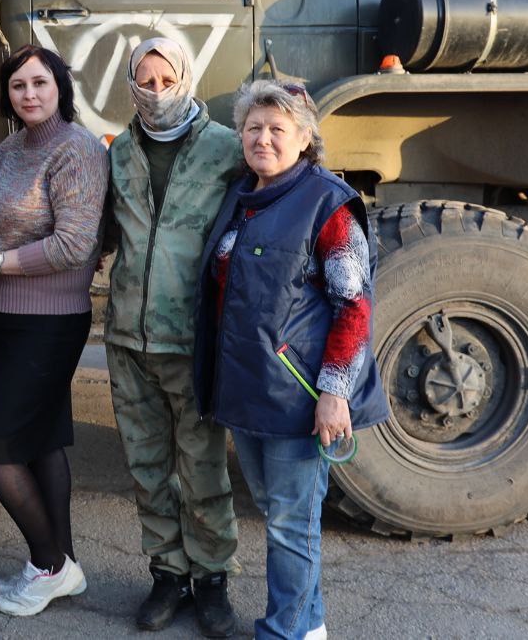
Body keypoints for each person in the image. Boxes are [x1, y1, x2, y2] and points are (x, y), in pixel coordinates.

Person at [193, 79, 389, 640]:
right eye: (253, 128)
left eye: (278, 129)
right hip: (250, 389)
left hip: (298, 397)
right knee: (285, 518)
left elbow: (352, 304)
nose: (263, 138)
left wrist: (335, 393)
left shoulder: (326, 203)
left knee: (288, 523)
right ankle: (310, 626)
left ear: (305, 138)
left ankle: (281, 632)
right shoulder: (242, 195)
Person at [0, 44, 109, 618]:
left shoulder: (77, 149)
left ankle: (51, 564)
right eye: (17, 86)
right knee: (43, 438)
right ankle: (62, 564)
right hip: (7, 319)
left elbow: (75, 244)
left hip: (51, 321)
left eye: (40, 83)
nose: (29, 94)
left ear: (60, 86)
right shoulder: (9, 147)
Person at [102, 37, 243, 636]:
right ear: (131, 84)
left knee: (203, 467)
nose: (156, 93)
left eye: (167, 80)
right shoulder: (118, 153)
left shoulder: (226, 150)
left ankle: (211, 581)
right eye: (145, 81)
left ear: (186, 76)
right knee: (148, 465)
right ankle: (166, 576)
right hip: (128, 340)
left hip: (192, 339)